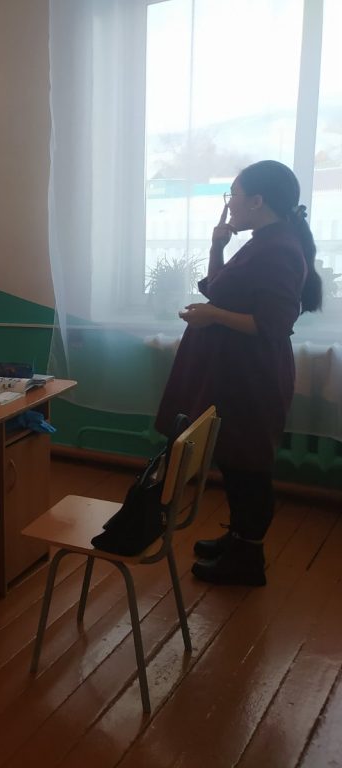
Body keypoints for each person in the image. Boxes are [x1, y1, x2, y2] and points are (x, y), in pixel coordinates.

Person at [155, 160, 322, 587]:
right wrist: (217, 247)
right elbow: (220, 289)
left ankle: (248, 556)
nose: (229, 204)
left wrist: (212, 316)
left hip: (251, 377)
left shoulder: (278, 248)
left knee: (248, 465)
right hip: (234, 373)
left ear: (257, 201)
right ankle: (239, 539)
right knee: (232, 458)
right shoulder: (262, 242)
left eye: (234, 195)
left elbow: (273, 324)